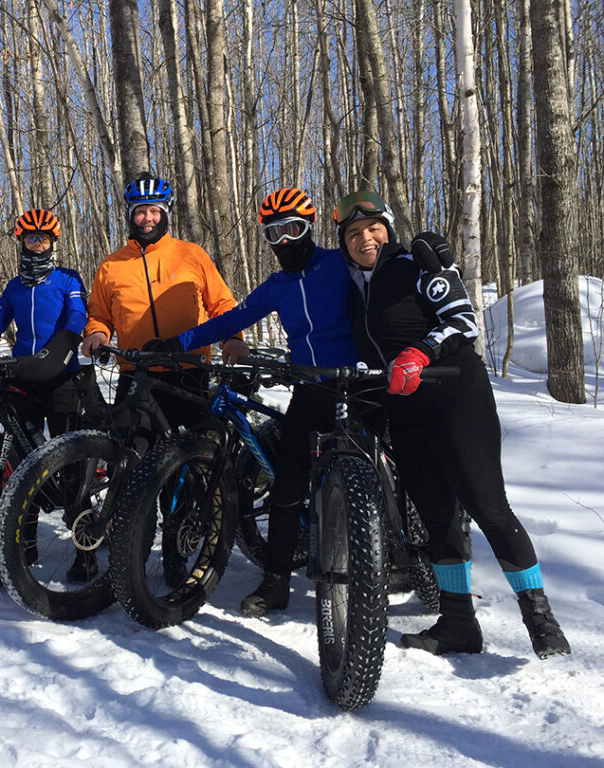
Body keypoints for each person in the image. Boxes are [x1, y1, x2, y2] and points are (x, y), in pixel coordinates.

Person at [334, 188, 570, 659]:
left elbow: (463, 320)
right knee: (438, 518)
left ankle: (540, 618)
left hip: (456, 396)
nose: (365, 239)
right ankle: (459, 621)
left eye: (374, 228)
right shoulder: (353, 289)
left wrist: (421, 352)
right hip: (406, 412)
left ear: (389, 229)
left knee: (488, 506)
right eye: (354, 233)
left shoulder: (415, 263)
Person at [149, 187, 360, 617]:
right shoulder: (277, 286)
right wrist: (175, 344)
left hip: (356, 391)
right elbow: (231, 319)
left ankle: (388, 559)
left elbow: (385, 280)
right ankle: (276, 582)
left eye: (293, 229)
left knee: (370, 478)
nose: (284, 241)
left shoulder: (341, 265)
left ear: (311, 227)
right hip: (309, 392)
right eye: (274, 233)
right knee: (286, 487)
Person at [80, 173, 243, 427]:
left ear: (166, 212)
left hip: (189, 370)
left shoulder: (192, 255)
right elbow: (99, 315)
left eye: (154, 211)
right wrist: (97, 334)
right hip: (136, 372)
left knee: (195, 456)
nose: (147, 219)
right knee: (133, 457)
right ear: (130, 215)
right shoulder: (111, 265)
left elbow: (221, 304)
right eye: (140, 211)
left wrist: (233, 338)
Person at [0, 208, 88, 437]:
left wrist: (63, 343)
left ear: (52, 242)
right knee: (23, 453)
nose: (38, 244)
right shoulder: (14, 287)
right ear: (22, 241)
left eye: (44, 239)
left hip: (61, 372)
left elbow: (78, 315)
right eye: (32, 238)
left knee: (69, 458)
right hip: (24, 374)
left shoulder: (68, 279)